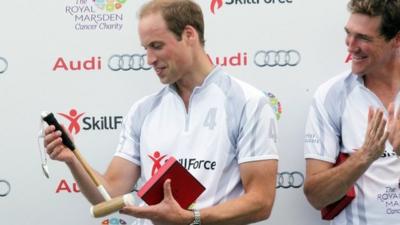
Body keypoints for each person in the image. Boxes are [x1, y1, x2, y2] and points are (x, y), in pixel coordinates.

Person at [44, 0, 279, 224]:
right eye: (146, 48)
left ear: (189, 35)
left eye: (157, 46)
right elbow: (110, 195)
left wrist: (191, 219)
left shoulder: (249, 103)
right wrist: (72, 159)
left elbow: (261, 202)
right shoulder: (142, 111)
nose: (149, 59)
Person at [303, 0, 400, 224]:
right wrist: (364, 157)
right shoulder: (331, 96)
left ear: (396, 39)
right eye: (349, 33)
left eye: (364, 38)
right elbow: (316, 197)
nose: (351, 45)